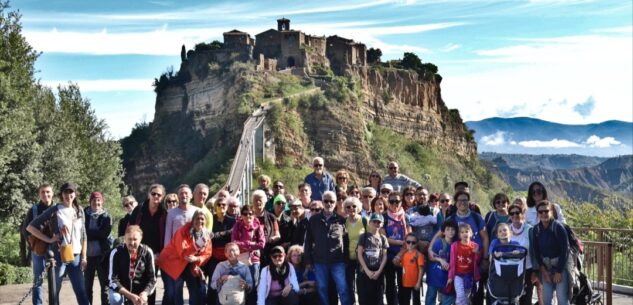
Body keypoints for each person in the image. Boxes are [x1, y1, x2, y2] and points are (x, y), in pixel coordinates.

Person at [27, 182, 90, 305]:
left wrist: (84, 257)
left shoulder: (80, 210)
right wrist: (49, 240)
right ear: (61, 195)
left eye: (71, 192)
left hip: (76, 257)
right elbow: (31, 227)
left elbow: (84, 236)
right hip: (58, 256)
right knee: (55, 292)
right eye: (65, 192)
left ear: (75, 194)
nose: (68, 195)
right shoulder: (55, 209)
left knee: (81, 291)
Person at [303, 191, 351, 305]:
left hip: (338, 262)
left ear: (335, 203)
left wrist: (345, 260)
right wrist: (308, 260)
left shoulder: (341, 220)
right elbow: (308, 242)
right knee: (322, 288)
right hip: (319, 262)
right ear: (322, 202)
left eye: (332, 201)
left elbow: (346, 242)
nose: (329, 203)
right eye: (326, 201)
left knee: (343, 289)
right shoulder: (314, 220)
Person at [159, 210, 213, 305]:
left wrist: (197, 259)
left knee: (197, 292)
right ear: (192, 220)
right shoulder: (182, 231)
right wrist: (199, 243)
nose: (200, 221)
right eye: (197, 218)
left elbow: (207, 253)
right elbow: (184, 253)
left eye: (202, 219)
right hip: (171, 264)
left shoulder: (206, 234)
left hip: (190, 265)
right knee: (173, 294)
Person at [127, 183, 167, 305]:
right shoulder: (139, 210)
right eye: (153, 193)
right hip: (137, 251)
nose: (156, 196)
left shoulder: (164, 213)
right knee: (135, 280)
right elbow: (130, 229)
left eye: (159, 195)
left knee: (151, 282)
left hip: (155, 254)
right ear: (148, 194)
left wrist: (160, 253)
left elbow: (165, 233)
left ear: (162, 197)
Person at [21, 183, 55, 305]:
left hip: (55, 249)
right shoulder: (34, 210)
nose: (45, 194)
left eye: (48, 192)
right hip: (38, 250)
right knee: (38, 281)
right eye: (43, 192)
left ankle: (54, 302)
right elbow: (25, 230)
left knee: (56, 280)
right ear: (39, 194)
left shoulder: (58, 208)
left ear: (52, 193)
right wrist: (33, 245)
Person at [532, 200, 571, 305]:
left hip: (560, 267)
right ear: (537, 214)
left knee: (562, 298)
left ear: (551, 212)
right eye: (541, 212)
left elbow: (565, 250)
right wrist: (543, 271)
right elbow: (536, 251)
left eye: (546, 211)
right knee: (546, 299)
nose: (544, 214)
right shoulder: (536, 230)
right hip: (546, 268)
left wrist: (559, 271)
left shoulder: (558, 227)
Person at [108, 225, 157, 305]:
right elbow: (112, 280)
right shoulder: (116, 252)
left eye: (135, 239)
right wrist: (130, 296)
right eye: (129, 239)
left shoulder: (148, 252)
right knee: (115, 299)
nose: (132, 243)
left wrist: (145, 293)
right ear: (125, 239)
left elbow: (152, 279)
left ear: (141, 239)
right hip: (121, 290)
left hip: (140, 291)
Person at [232, 205, 266, 305]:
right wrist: (250, 244)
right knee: (239, 285)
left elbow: (262, 244)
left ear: (254, 215)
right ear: (241, 215)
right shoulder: (237, 226)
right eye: (245, 214)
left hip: (253, 260)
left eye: (250, 214)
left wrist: (244, 244)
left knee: (253, 286)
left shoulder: (258, 226)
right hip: (240, 260)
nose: (248, 216)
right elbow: (234, 242)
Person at [84, 191, 113, 305]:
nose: (96, 202)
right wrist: (97, 234)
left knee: (104, 287)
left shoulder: (107, 216)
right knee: (87, 287)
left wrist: (88, 234)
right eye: (94, 200)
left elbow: (104, 234)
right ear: (90, 202)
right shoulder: (83, 215)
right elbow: (82, 233)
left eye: (99, 200)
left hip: (102, 256)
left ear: (102, 201)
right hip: (87, 256)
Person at [207, 197, 237, 305]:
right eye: (219, 204)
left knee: (227, 282)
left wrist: (217, 235)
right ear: (215, 207)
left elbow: (233, 235)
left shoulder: (232, 220)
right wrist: (225, 233)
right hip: (213, 255)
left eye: (224, 204)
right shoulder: (211, 220)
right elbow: (208, 235)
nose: (221, 206)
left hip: (227, 256)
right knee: (213, 282)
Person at [508, 204, 539, 305]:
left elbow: (536, 251)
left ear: (522, 214)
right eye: (512, 213)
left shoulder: (530, 230)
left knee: (526, 299)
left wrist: (536, 271)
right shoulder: (506, 229)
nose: (515, 215)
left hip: (527, 270)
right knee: (511, 299)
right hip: (510, 270)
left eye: (517, 213)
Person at [382, 192, 410, 305]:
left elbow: (410, 237)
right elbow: (384, 238)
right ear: (388, 203)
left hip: (404, 254)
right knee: (390, 284)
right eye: (392, 201)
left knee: (403, 283)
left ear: (401, 202)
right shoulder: (384, 216)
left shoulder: (406, 216)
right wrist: (401, 242)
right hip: (388, 255)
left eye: (397, 201)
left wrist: (401, 252)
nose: (395, 204)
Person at [356, 213, 389, 305]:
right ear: (370, 222)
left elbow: (384, 256)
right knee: (364, 297)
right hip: (365, 271)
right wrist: (367, 271)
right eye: (374, 221)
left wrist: (379, 271)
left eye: (379, 222)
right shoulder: (364, 236)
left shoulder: (383, 238)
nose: (376, 224)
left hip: (378, 272)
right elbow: (359, 254)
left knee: (378, 297)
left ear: (382, 224)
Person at [425, 220, 458, 305]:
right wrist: (440, 260)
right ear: (443, 231)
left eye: (452, 229)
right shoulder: (438, 243)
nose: (450, 231)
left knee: (449, 298)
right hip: (434, 276)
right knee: (431, 297)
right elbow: (430, 257)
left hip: (447, 278)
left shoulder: (456, 245)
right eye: (448, 229)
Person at [448, 223, 481, 305]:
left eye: (466, 231)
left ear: (471, 233)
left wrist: (477, 253)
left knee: (466, 296)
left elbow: (477, 262)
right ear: (459, 235)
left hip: (469, 276)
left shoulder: (475, 246)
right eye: (462, 232)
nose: (465, 234)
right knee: (460, 295)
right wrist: (450, 277)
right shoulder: (455, 245)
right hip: (458, 275)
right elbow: (452, 262)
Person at [344, 197, 365, 305]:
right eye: (348, 207)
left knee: (361, 283)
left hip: (362, 258)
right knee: (349, 283)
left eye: (354, 206)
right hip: (348, 258)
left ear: (358, 207)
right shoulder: (344, 222)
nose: (351, 208)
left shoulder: (365, 220)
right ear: (345, 209)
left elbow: (371, 238)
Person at [252, 190, 280, 266]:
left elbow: (278, 234)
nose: (258, 202)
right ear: (252, 202)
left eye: (260, 200)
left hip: (268, 251)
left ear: (265, 202)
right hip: (252, 252)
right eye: (256, 200)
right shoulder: (248, 216)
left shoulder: (271, 217)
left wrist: (274, 238)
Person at [397, 233, 425, 305]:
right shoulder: (404, 254)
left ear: (416, 244)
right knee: (405, 301)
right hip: (406, 282)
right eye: (408, 242)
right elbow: (401, 265)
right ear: (405, 242)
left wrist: (419, 282)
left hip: (415, 282)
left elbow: (421, 269)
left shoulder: (419, 255)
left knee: (416, 301)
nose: (410, 244)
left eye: (413, 242)